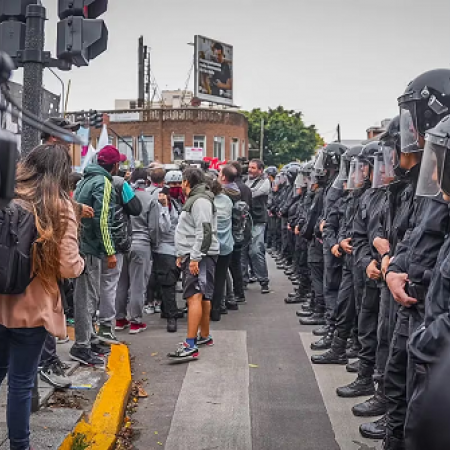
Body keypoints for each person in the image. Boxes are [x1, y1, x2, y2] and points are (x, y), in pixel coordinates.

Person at [0, 144, 84, 450]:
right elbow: (69, 266)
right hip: (32, 309)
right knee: (21, 384)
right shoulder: (59, 207)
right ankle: (20, 446)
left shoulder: (7, 196)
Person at [70, 146, 123, 365]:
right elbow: (103, 220)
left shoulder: (86, 180)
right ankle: (81, 345)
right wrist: (110, 251)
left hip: (82, 244)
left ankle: (89, 339)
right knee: (87, 297)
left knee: (87, 295)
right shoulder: (103, 183)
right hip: (90, 248)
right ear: (115, 165)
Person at [168, 168, 219, 359]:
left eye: (182, 181)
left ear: (187, 182)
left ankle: (190, 344)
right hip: (195, 253)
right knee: (202, 296)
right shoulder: (198, 199)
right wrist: (183, 253)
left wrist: (195, 257)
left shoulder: (200, 201)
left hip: (199, 255)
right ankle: (204, 335)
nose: (180, 185)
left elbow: (204, 231)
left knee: (194, 296)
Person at [97, 148, 142, 343]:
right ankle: (106, 327)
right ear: (115, 166)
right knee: (110, 285)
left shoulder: (85, 181)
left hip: (90, 244)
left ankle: (93, 325)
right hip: (114, 245)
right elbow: (135, 208)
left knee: (93, 288)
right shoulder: (119, 183)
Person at [116, 168, 159, 334]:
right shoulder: (150, 199)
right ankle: (135, 321)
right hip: (142, 245)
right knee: (138, 285)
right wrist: (154, 244)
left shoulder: (124, 197)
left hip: (123, 243)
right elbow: (154, 227)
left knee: (120, 283)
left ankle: (120, 319)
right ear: (147, 181)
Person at [151, 170, 183, 333]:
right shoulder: (161, 201)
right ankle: (171, 317)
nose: (176, 187)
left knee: (172, 280)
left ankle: (167, 309)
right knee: (168, 282)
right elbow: (163, 228)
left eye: (179, 184)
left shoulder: (180, 201)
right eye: (172, 184)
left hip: (179, 247)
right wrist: (164, 207)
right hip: (164, 248)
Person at [210, 168, 236, 321]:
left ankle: (207, 307)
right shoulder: (227, 201)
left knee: (208, 278)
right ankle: (217, 309)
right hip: (226, 245)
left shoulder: (207, 201)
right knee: (220, 278)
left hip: (211, 245)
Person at [245, 159, 271, 294]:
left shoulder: (265, 182)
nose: (250, 170)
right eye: (249, 167)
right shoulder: (247, 181)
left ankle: (263, 281)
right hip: (246, 220)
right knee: (244, 251)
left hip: (258, 220)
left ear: (260, 170)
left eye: (253, 168)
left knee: (256, 250)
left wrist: (244, 191)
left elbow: (253, 194)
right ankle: (245, 279)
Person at [228, 160, 252, 302]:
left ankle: (236, 291)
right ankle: (240, 290)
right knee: (238, 260)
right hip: (243, 227)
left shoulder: (231, 189)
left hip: (233, 229)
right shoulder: (245, 188)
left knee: (233, 262)